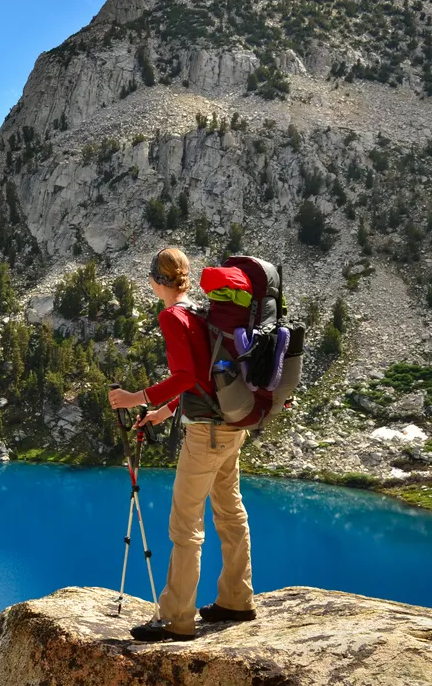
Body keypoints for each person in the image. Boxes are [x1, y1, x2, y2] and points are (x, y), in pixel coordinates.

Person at [107, 247, 255, 642]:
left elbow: (187, 375)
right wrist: (167, 411)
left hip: (205, 434)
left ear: (157, 281)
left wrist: (136, 398)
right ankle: (237, 599)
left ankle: (176, 618)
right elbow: (206, 377)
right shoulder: (201, 312)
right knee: (229, 509)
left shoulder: (172, 316)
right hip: (231, 425)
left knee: (185, 526)